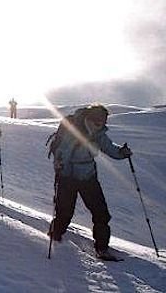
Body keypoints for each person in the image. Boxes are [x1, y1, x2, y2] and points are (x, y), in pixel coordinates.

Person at [48, 104, 133, 260]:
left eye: (103, 119)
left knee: (101, 213)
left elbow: (109, 148)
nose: (101, 122)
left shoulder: (99, 133)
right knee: (65, 212)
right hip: (68, 177)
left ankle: (102, 248)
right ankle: (55, 236)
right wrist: (60, 168)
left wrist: (122, 152)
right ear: (90, 116)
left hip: (88, 177)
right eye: (98, 118)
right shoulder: (76, 129)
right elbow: (63, 151)